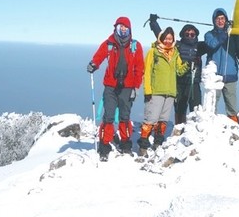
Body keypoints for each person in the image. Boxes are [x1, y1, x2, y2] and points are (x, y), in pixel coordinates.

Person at [87, 16, 145, 160]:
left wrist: (136, 87)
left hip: (128, 86)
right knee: (109, 117)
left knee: (125, 117)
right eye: (120, 27)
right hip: (111, 86)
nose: (123, 29)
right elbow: (99, 56)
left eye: (125, 27)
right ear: (116, 28)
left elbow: (139, 68)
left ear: (130, 29)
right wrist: (94, 64)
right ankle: (104, 147)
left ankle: (125, 145)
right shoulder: (109, 44)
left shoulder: (135, 46)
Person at [149, 15, 209, 125]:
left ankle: (195, 131)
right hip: (179, 83)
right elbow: (162, 37)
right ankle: (179, 130)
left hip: (194, 83)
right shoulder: (177, 45)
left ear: (196, 35)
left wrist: (223, 29)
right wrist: (153, 23)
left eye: (192, 34)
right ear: (182, 35)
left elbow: (214, 42)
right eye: (187, 34)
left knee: (196, 109)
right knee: (180, 110)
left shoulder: (200, 46)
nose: (190, 36)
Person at [138, 27, 189, 156]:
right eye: (166, 38)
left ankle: (157, 143)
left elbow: (178, 70)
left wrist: (188, 64)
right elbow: (147, 72)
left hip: (170, 92)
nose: (168, 41)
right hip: (156, 91)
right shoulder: (153, 52)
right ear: (161, 38)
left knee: (163, 120)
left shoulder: (175, 53)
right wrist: (147, 90)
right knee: (151, 119)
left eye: (170, 38)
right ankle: (143, 145)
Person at [204, 8, 239, 124]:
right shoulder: (209, 35)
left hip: (230, 76)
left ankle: (234, 129)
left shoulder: (234, 36)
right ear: (214, 21)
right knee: (211, 106)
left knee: (232, 107)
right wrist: (225, 32)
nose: (220, 21)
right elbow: (212, 45)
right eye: (218, 19)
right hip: (214, 77)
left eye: (223, 18)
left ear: (226, 20)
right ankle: (209, 129)